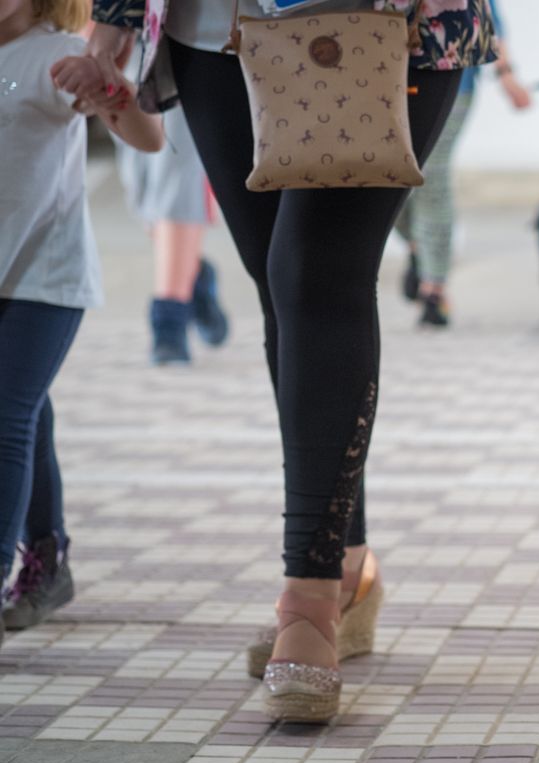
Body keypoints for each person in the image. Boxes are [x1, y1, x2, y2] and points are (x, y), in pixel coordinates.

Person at [84, 0, 497, 723]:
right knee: (284, 291)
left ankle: (308, 599)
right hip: (212, 30)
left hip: (382, 21)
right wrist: (112, 16)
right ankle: (347, 567)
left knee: (314, 277)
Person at [1, 0, 163, 646]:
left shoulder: (58, 57)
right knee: (24, 409)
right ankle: (48, 556)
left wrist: (112, 90)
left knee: (7, 414)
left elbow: (149, 139)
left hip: (45, 277)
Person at [395, 0, 530, 328]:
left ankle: (434, 289)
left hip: (450, 76)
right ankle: (419, 245)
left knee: (432, 176)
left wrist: (506, 74)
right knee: (389, 179)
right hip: (382, 77)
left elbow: (487, 15)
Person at [113, 98, 230, 365]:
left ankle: (170, 316)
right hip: (122, 72)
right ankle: (193, 274)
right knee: (141, 181)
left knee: (177, 172)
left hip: (182, 75)